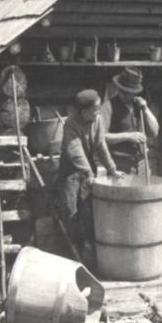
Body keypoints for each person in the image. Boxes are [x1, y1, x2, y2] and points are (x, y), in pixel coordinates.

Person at [55, 89, 124, 264]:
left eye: (99, 108)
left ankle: (88, 257)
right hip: (70, 171)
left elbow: (101, 145)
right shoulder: (70, 124)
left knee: (87, 212)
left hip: (88, 170)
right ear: (82, 110)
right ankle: (71, 258)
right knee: (71, 213)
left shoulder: (97, 120)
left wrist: (112, 168)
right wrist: (88, 174)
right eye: (95, 108)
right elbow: (75, 151)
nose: (98, 111)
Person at [101, 67, 159, 174]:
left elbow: (154, 132)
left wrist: (145, 109)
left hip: (141, 164)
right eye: (122, 91)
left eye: (129, 92)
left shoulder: (139, 106)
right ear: (118, 88)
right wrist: (128, 136)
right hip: (119, 165)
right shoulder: (108, 106)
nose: (125, 94)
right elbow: (101, 136)